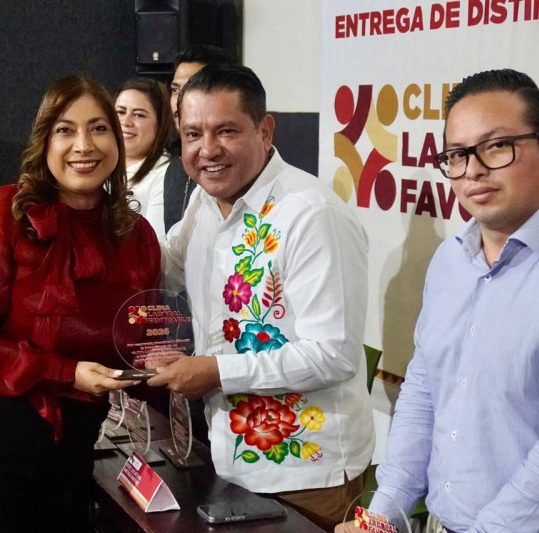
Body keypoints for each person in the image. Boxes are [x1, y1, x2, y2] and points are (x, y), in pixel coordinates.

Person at [336, 69, 539, 533]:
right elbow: (423, 393)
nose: (473, 170)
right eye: (457, 154)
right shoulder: (451, 259)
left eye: (497, 146)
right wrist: (381, 516)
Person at [0, 75, 161, 533]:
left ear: (117, 140)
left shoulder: (137, 237)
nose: (84, 145)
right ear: (44, 142)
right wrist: (65, 372)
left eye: (99, 128)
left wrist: (160, 367)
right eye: (65, 130)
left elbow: (139, 338)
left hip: (74, 438)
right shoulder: (3, 213)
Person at [148, 64, 375, 530]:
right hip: (229, 459)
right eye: (192, 134)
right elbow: (169, 267)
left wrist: (215, 371)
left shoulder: (311, 214)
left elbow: (333, 354)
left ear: (265, 130)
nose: (207, 150)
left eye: (226, 131)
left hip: (307, 476)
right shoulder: (203, 201)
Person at [163, 44, 236, 233]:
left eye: (192, 88)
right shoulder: (174, 168)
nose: (180, 101)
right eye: (176, 90)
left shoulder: (235, 167)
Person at [115, 77, 173, 241]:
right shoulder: (99, 165)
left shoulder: (167, 174)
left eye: (139, 115)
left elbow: (155, 244)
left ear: (160, 124)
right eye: (120, 112)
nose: (126, 122)